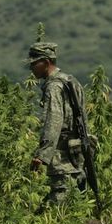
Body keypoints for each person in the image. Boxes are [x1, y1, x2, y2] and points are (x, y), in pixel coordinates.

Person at [26, 41, 88, 209]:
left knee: (59, 205)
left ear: (46, 62)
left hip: (63, 156)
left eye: (34, 63)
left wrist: (42, 155)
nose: (31, 68)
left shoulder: (54, 87)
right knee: (76, 201)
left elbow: (53, 121)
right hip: (78, 152)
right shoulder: (70, 81)